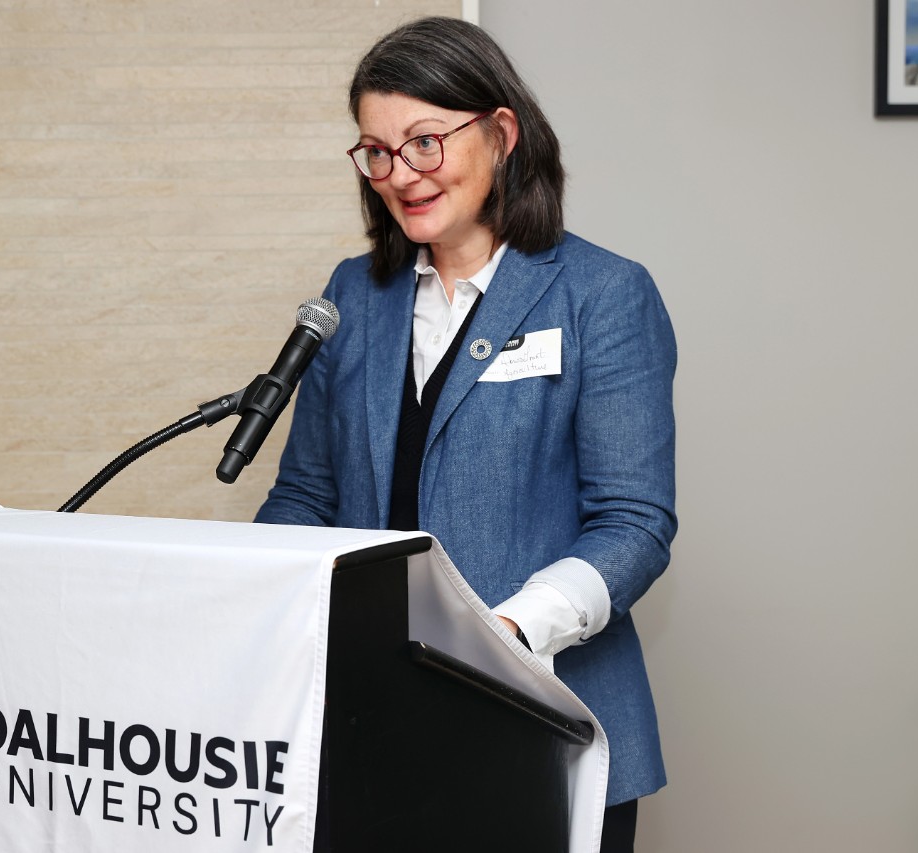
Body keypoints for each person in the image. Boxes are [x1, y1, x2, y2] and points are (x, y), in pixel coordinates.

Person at [255, 16, 676, 851]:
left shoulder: (601, 294)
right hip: (373, 722)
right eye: (375, 151)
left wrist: (504, 637)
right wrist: (249, 602)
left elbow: (634, 525)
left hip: (545, 725)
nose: (398, 174)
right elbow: (306, 495)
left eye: (423, 143)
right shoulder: (354, 293)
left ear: (501, 132)